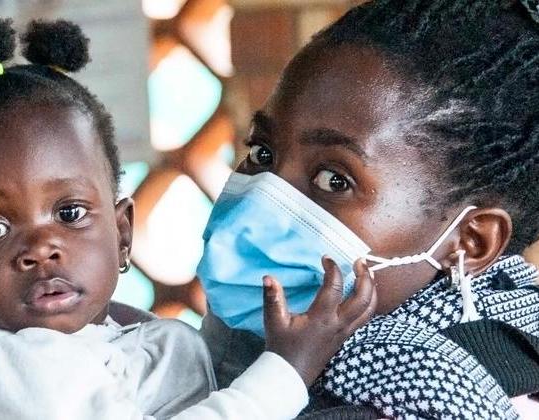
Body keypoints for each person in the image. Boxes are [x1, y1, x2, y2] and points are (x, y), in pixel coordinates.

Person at [0, 15, 377, 420]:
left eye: (69, 213)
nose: (40, 249)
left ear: (122, 232)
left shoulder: (128, 335)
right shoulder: (14, 369)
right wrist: (288, 370)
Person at [197, 0, 539, 418]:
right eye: (262, 153)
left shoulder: (422, 397)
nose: (256, 205)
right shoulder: (518, 333)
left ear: (469, 241)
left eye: (334, 180)